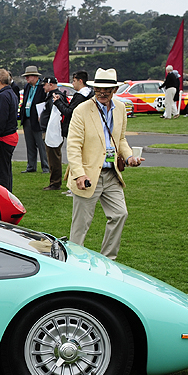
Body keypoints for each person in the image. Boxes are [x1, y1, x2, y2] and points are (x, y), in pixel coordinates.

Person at [66, 68, 144, 261]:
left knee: (120, 214)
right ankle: (74, 262)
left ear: (115, 89)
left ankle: (108, 260)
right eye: (99, 88)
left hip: (111, 175)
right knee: (81, 225)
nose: (102, 92)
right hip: (87, 176)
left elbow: (121, 140)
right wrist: (79, 174)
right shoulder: (81, 111)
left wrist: (129, 157)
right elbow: (73, 146)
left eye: (107, 90)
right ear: (94, 88)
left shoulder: (120, 109)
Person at [39, 76, 70, 191]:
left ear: (50, 84)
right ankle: (54, 181)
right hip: (50, 131)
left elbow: (56, 115)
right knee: (52, 157)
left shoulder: (56, 96)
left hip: (53, 132)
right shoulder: (52, 96)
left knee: (54, 158)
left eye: (44, 84)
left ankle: (55, 182)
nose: (43, 87)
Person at [19, 65, 49, 173]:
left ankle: (46, 167)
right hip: (27, 119)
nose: (26, 79)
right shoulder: (27, 87)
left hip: (38, 120)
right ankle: (31, 166)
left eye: (28, 76)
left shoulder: (42, 87)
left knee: (41, 144)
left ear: (35, 76)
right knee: (30, 144)